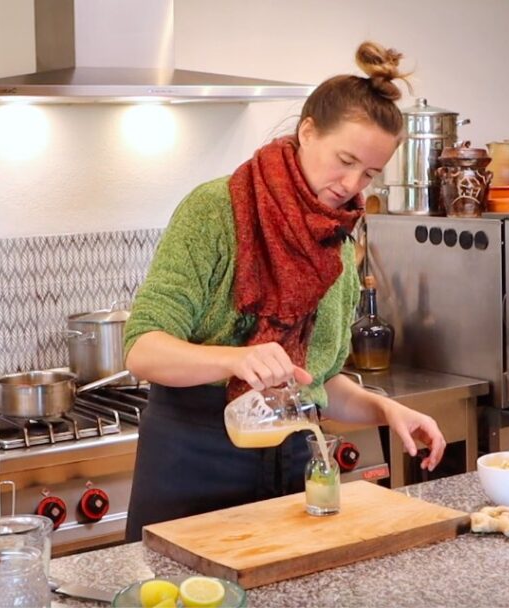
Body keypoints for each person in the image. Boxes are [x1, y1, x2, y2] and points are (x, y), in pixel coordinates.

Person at [123, 41, 446, 539]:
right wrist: (233, 361)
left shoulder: (337, 242)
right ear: (307, 131)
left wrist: (386, 408)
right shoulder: (215, 211)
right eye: (344, 160)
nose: (350, 183)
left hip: (290, 467)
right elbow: (143, 349)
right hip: (190, 463)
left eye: (369, 173)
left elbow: (317, 380)